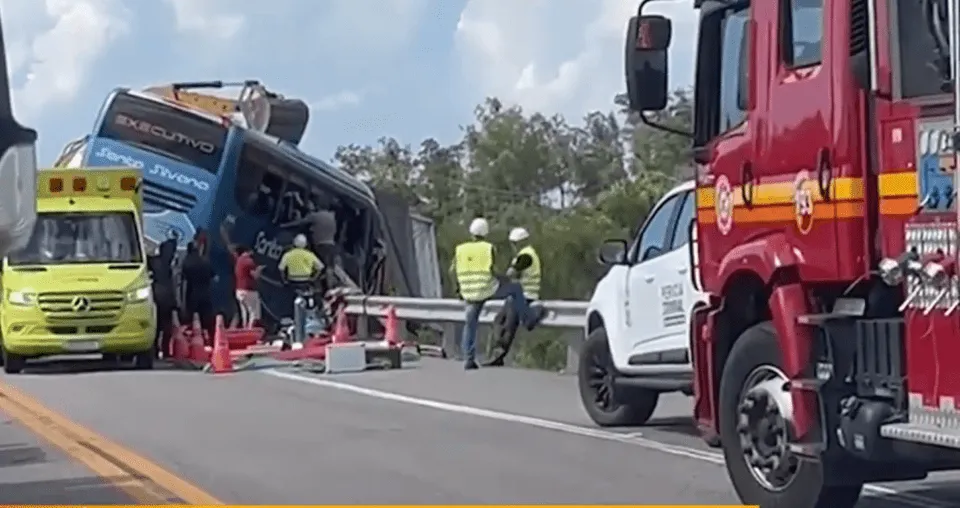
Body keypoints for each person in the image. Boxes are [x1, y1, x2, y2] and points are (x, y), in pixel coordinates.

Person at [451, 218, 545, 370]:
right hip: (487, 289)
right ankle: (526, 319)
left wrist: (459, 290)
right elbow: (494, 270)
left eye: (514, 243)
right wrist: (500, 280)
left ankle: (469, 358)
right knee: (513, 291)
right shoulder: (488, 248)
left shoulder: (461, 249)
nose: (513, 246)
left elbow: (453, 271)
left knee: (471, 323)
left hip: (469, 292)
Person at [486, 227, 546, 367]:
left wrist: (495, 273)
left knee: (508, 324)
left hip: (527, 295)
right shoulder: (525, 255)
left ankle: (499, 354)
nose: (513, 246)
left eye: (514, 243)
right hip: (519, 295)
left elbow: (511, 274)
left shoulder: (526, 256)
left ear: (520, 243)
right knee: (499, 321)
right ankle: (498, 353)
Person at [281, 197, 338, 294]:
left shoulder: (315, 216)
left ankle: (318, 288)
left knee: (317, 266)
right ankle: (330, 289)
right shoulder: (331, 217)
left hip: (320, 245)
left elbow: (299, 223)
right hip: (331, 245)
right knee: (329, 268)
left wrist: (284, 226)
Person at [181, 241, 216, 343]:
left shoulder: (187, 262)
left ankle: (193, 341)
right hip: (205, 292)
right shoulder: (204, 261)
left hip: (192, 293)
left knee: (191, 318)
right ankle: (211, 338)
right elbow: (213, 276)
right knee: (207, 318)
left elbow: (183, 278)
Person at [148, 239, 177, 358]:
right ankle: (164, 350)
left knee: (158, 326)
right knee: (166, 327)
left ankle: (155, 349)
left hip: (157, 295)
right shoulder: (167, 263)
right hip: (166, 297)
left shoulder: (155, 261)